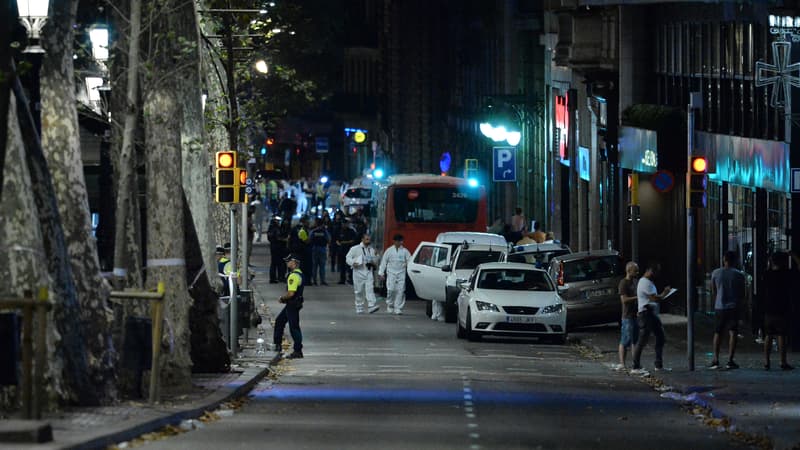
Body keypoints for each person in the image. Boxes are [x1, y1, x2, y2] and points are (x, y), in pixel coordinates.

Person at [631, 263, 672, 374]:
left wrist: (662, 295)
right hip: (646, 313)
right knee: (642, 340)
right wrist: (665, 293)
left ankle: (658, 365)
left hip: (650, 313)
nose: (656, 274)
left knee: (660, 337)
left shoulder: (648, 282)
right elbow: (654, 298)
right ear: (649, 270)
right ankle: (635, 366)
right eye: (655, 272)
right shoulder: (645, 282)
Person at [709, 251, 746, 370]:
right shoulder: (739, 275)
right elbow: (742, 294)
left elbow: (713, 291)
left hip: (720, 306)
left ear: (724, 259)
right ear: (735, 260)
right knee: (733, 333)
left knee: (718, 332)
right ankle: (730, 360)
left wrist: (716, 301)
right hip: (733, 307)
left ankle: (715, 359)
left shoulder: (716, 273)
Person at [762, 252, 794, 370]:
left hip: (769, 308)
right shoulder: (786, 274)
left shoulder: (767, 274)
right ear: (783, 262)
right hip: (782, 308)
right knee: (781, 336)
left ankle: (766, 362)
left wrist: (770, 261)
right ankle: (782, 361)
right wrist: (793, 255)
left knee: (768, 336)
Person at [273, 254, 304, 359]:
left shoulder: (293, 276)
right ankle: (277, 345)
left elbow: (291, 293)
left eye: (288, 261)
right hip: (294, 303)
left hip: (292, 304)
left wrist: (282, 298)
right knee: (279, 321)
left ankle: (298, 350)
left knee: (294, 327)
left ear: (294, 262)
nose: (287, 263)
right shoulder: (299, 274)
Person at [345, 233, 380, 314]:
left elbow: (376, 259)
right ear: (362, 239)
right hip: (358, 272)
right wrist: (353, 263)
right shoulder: (355, 248)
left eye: (369, 239)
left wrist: (375, 258)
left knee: (370, 289)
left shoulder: (371, 250)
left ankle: (371, 305)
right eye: (367, 239)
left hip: (368, 272)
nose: (369, 241)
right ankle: (359, 306)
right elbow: (348, 258)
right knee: (359, 290)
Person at [378, 234, 412, 315]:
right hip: (391, 273)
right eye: (399, 241)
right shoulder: (389, 251)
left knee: (401, 290)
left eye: (401, 241)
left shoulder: (405, 251)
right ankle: (390, 305)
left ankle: (398, 307)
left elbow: (410, 260)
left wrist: (407, 264)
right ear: (395, 241)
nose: (401, 242)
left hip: (401, 273)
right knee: (391, 289)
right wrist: (381, 273)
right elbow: (383, 262)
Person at [615, 261, 639, 370]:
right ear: (629, 271)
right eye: (635, 270)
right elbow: (624, 300)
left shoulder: (635, 282)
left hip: (635, 315)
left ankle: (635, 364)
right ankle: (622, 363)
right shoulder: (623, 283)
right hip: (627, 316)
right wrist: (637, 297)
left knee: (634, 340)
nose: (637, 272)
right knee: (625, 340)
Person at [336, 219, 358, 284]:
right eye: (343, 224)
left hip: (349, 251)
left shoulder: (351, 231)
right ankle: (342, 279)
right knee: (342, 266)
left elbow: (353, 241)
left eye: (345, 224)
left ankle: (351, 279)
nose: (344, 225)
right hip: (341, 251)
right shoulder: (339, 231)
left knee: (350, 266)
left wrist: (344, 242)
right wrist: (339, 243)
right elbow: (336, 240)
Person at [309, 219, 331, 285]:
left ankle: (314, 281)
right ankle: (322, 281)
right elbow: (329, 239)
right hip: (322, 249)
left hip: (314, 249)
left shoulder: (313, 231)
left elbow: (309, 239)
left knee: (314, 266)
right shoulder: (324, 231)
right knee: (322, 266)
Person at [267, 216, 286, 283]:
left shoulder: (271, 228)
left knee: (274, 263)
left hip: (273, 247)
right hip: (277, 247)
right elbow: (278, 238)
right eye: (278, 221)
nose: (279, 222)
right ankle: (278, 277)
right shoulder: (276, 228)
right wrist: (285, 240)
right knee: (279, 263)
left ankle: (274, 278)